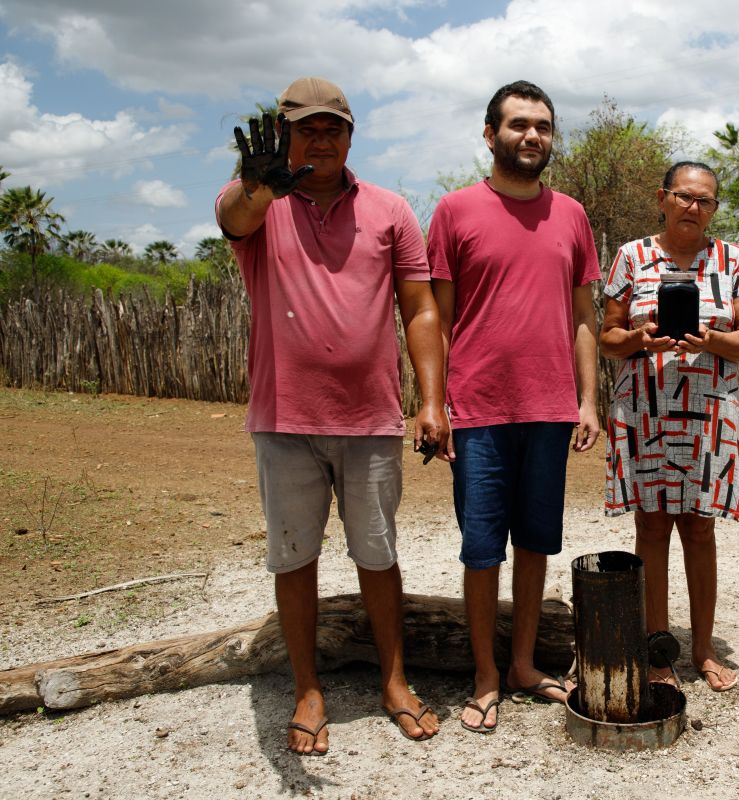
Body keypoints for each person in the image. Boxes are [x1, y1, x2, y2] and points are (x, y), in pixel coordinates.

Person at [216, 76, 449, 753]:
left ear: (351, 135)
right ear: (283, 134)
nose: (321, 137)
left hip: (370, 416)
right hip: (285, 417)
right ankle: (308, 688)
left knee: (377, 554)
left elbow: (422, 308)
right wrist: (259, 187)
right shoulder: (261, 209)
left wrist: (432, 400)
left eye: (334, 126)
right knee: (294, 557)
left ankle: (395, 679)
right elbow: (232, 216)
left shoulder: (389, 210)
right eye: (306, 126)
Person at [427, 80, 601, 734]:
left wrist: (588, 400)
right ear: (490, 133)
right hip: (476, 410)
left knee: (534, 543)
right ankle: (484, 675)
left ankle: (524, 664)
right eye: (519, 124)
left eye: (544, 127)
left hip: (550, 410)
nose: (532, 136)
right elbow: (434, 318)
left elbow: (584, 315)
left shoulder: (572, 216)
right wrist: (434, 402)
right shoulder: (454, 212)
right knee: (481, 549)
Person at [599, 161, 739, 692]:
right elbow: (608, 338)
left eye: (706, 201)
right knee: (650, 527)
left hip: (710, 415)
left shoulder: (732, 260)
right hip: (645, 412)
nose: (695, 207)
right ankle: (657, 649)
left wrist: (709, 339)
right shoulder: (631, 256)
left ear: (715, 208)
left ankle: (704, 649)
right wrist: (643, 337)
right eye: (685, 197)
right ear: (662, 198)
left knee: (699, 527)